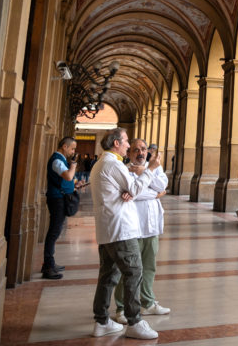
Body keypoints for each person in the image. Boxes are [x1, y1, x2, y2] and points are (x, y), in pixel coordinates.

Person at [89, 127, 161, 339]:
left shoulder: (102, 164)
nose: (129, 145)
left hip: (108, 228)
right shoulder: (113, 164)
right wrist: (151, 169)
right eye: (127, 141)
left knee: (108, 275)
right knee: (134, 272)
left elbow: (130, 189)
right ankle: (135, 321)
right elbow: (136, 189)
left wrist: (130, 188)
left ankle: (101, 321)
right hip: (121, 229)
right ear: (116, 143)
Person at [114, 140, 170, 323]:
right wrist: (155, 194)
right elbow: (130, 192)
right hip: (132, 228)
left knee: (149, 267)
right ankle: (121, 307)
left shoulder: (153, 167)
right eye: (136, 150)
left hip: (151, 227)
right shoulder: (123, 169)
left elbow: (162, 185)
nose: (140, 153)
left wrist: (146, 175)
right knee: (129, 269)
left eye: (144, 149)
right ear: (129, 153)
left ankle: (148, 302)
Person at [43, 137, 83, 279]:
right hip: (57, 200)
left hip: (60, 198)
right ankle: (48, 266)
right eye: (72, 148)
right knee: (54, 232)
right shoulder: (57, 160)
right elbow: (67, 176)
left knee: (56, 231)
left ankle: (50, 263)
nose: (73, 152)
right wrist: (73, 166)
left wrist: (74, 185)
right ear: (64, 147)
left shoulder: (60, 160)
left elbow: (66, 180)